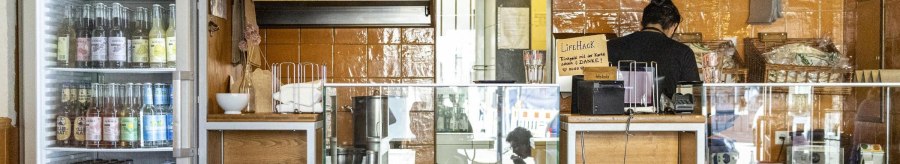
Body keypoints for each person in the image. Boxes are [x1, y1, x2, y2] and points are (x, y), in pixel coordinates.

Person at [608, 0, 700, 97]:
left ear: (642, 23)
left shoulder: (611, 46)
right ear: (673, 26)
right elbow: (692, 97)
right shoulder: (683, 52)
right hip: (666, 111)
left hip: (617, 111)